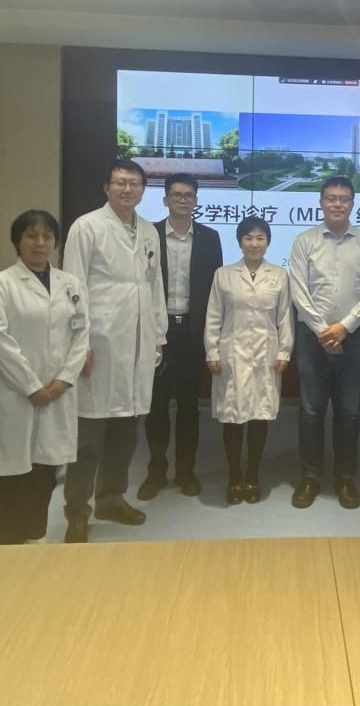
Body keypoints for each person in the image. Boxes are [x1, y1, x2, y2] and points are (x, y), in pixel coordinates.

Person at [61, 159, 167, 541]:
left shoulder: (149, 231)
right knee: (89, 435)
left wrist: (159, 334)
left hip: (138, 343)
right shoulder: (87, 227)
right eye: (120, 182)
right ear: (106, 187)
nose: (127, 189)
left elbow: (154, 286)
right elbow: (72, 287)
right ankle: (77, 510)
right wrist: (80, 341)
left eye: (134, 183)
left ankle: (111, 498)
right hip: (100, 342)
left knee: (126, 429)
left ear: (143, 190)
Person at [0, 211, 89, 545]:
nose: (40, 243)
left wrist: (63, 381)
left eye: (47, 236)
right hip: (15, 394)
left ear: (55, 242)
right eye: (31, 236)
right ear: (18, 241)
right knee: (12, 475)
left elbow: (81, 335)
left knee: (45, 472)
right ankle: (9, 548)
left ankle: (36, 540)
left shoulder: (71, 285)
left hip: (58, 392)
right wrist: (31, 387)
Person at [289, 175, 360, 510]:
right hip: (311, 338)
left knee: (349, 412)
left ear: (352, 203)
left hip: (353, 338)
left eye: (344, 199)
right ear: (321, 202)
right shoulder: (304, 241)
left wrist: (343, 327)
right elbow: (298, 291)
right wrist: (323, 331)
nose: (337, 204)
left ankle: (345, 478)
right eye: (331, 198)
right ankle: (310, 477)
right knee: (310, 411)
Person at [139, 174, 223, 500]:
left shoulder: (210, 238)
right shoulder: (148, 235)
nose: (183, 200)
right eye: (176, 195)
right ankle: (156, 470)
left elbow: (214, 291)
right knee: (156, 404)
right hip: (158, 332)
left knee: (189, 405)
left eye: (189, 195)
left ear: (196, 201)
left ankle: (186, 470)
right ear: (165, 200)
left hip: (191, 331)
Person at [205, 217, 293, 504]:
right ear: (239, 242)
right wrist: (211, 351)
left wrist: (284, 351)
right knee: (232, 417)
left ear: (268, 242)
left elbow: (284, 317)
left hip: (266, 354)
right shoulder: (224, 275)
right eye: (248, 238)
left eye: (260, 238)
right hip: (232, 353)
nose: (254, 243)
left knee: (259, 415)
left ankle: (253, 475)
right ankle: (234, 476)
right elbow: (214, 315)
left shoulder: (279, 275)